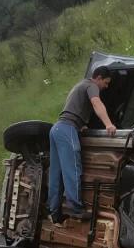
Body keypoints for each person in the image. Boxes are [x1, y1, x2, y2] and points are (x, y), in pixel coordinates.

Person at [48, 66, 117, 222]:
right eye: (105, 83)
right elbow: (96, 103)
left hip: (56, 129)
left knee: (56, 174)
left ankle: (54, 212)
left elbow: (73, 109)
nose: (106, 87)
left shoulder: (80, 85)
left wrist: (80, 124)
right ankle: (76, 209)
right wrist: (108, 124)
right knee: (73, 168)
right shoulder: (91, 86)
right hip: (67, 130)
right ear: (98, 78)